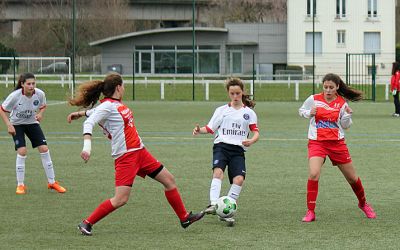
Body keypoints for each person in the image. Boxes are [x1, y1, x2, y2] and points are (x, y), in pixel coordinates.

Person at [67, 73, 204, 236]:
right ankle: (87, 223)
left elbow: (95, 113)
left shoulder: (111, 104)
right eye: (123, 85)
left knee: (169, 180)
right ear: (118, 87)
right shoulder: (107, 106)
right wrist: (87, 147)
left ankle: (184, 218)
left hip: (140, 152)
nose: (124, 88)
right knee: (120, 199)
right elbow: (90, 122)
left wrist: (80, 113)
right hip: (126, 156)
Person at [298, 73, 376, 222]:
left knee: (352, 178)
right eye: (325, 87)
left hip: (337, 144)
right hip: (317, 142)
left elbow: (346, 126)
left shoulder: (342, 103)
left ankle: (363, 204)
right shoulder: (313, 99)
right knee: (314, 173)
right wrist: (309, 113)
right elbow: (301, 111)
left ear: (337, 87)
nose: (328, 90)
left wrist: (347, 116)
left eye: (331, 87)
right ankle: (310, 211)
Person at [193, 78, 259, 226]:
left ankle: (225, 208)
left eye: (238, 93)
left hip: (238, 150)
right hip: (221, 147)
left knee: (239, 180)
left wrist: (251, 140)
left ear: (242, 93)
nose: (235, 96)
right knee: (218, 173)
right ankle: (213, 203)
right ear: (228, 93)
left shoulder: (249, 113)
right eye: (232, 93)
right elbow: (210, 129)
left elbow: (255, 132)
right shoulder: (221, 110)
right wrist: (199, 130)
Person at [0, 72, 66, 194]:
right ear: (22, 84)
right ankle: (20, 185)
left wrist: (40, 114)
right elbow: (2, 109)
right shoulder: (15, 96)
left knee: (44, 149)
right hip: (17, 124)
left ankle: (52, 182)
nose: (31, 86)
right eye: (28, 84)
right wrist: (9, 125)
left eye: (33, 83)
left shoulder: (40, 94)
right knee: (22, 151)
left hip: (32, 123)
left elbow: (43, 106)